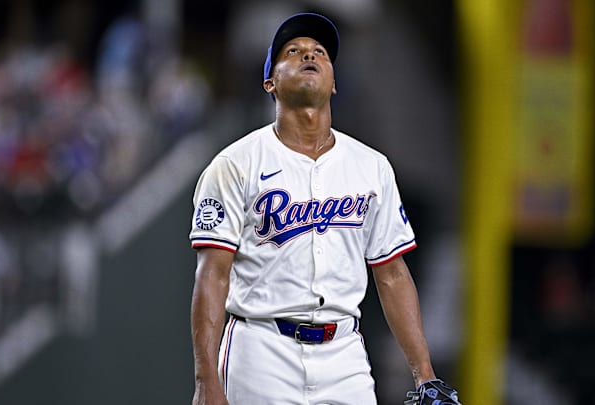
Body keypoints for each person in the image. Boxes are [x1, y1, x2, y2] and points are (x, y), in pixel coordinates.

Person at [189, 12, 453, 404]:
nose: (309, 55)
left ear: (333, 84)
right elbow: (212, 276)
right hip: (261, 350)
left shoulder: (371, 167)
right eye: (293, 52)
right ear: (270, 82)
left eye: (320, 53)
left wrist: (425, 375)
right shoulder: (235, 164)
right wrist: (206, 380)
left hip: (343, 352)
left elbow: (393, 275)